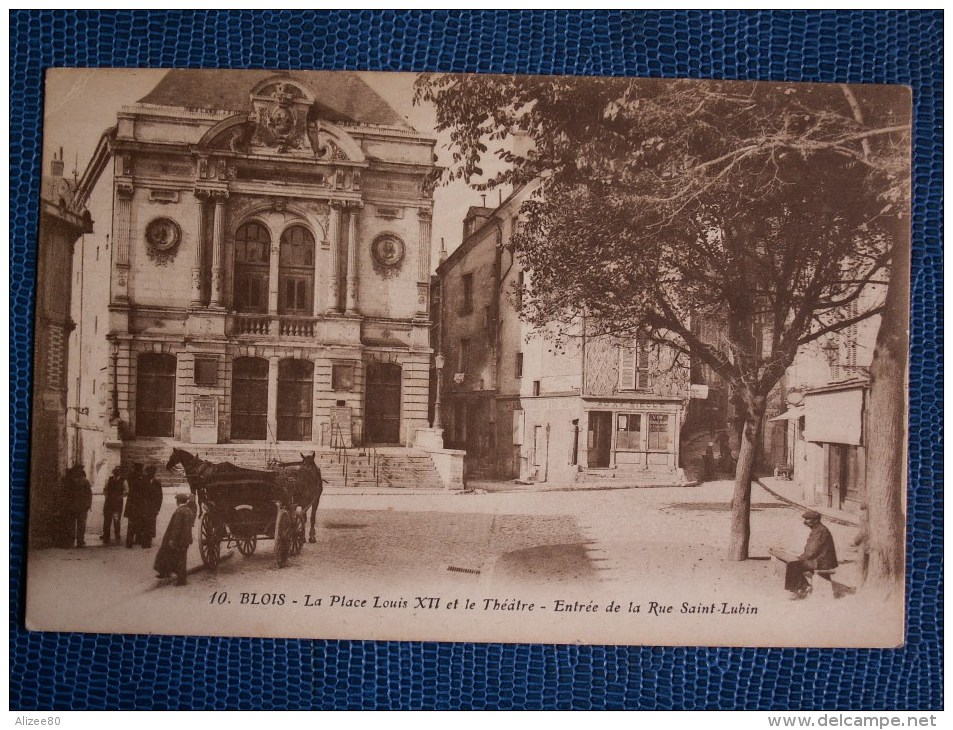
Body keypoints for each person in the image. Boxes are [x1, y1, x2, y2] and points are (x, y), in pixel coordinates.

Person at [784, 510, 839, 599]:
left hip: (822, 562)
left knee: (792, 565)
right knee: (795, 564)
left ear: (816, 520)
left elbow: (811, 551)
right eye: (805, 519)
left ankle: (796, 591)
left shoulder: (820, 531)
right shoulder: (818, 529)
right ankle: (805, 586)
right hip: (820, 560)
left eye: (808, 519)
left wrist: (801, 558)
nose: (805, 521)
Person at [154, 493, 196, 586]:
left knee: (179, 559)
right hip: (186, 539)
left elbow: (176, 527)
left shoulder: (179, 511)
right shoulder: (189, 511)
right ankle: (169, 574)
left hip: (179, 540)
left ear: (178, 501)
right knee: (181, 558)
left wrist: (172, 540)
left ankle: (181, 580)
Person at [63, 465, 93, 548]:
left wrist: (88, 504)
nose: (79, 472)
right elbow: (66, 494)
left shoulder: (85, 481)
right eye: (77, 470)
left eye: (80, 470)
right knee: (71, 524)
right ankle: (71, 540)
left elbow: (89, 494)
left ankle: (80, 541)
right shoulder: (69, 482)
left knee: (81, 524)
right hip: (72, 506)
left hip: (82, 507)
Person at [101, 466, 126, 545]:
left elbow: (126, 491)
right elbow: (105, 489)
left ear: (120, 472)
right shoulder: (109, 479)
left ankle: (117, 535)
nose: (116, 472)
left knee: (116, 519)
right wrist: (106, 496)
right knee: (107, 519)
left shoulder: (123, 480)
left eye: (118, 471)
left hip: (117, 504)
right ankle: (106, 536)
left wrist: (120, 497)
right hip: (109, 503)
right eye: (115, 471)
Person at [141, 465, 164, 549]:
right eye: (150, 472)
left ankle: (148, 541)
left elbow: (160, 497)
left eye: (153, 473)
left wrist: (157, 509)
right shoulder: (143, 482)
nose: (151, 474)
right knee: (144, 524)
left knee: (151, 524)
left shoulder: (157, 483)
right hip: (144, 506)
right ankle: (143, 541)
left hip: (152, 508)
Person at [124, 463, 145, 548]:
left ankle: (129, 541)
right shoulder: (142, 478)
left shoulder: (130, 477)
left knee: (131, 523)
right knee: (139, 522)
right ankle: (137, 539)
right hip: (138, 503)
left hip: (131, 503)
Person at [851, 504, 870, 583]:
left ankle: (862, 581)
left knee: (863, 565)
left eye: (863, 513)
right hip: (865, 546)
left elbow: (864, 533)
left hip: (865, 546)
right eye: (861, 513)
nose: (861, 515)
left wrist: (856, 541)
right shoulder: (864, 521)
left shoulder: (866, 522)